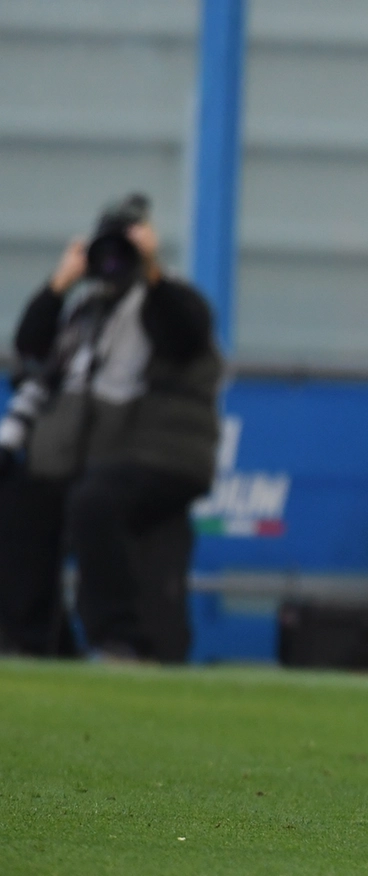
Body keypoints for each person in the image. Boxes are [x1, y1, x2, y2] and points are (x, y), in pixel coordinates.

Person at [0, 194, 221, 662]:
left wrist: (153, 269)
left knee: (94, 502)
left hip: (149, 455)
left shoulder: (168, 297)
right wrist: (61, 284)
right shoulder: (87, 308)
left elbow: (185, 334)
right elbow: (31, 347)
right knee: (20, 500)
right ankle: (31, 639)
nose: (115, 261)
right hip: (88, 454)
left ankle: (116, 637)